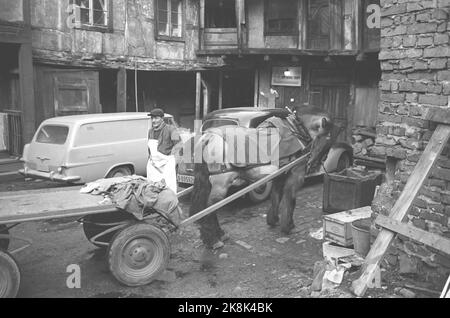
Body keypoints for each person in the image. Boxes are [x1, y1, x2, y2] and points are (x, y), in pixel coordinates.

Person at [147, 108, 180, 193]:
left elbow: (179, 145)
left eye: (156, 118)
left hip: (166, 165)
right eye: (152, 118)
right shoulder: (150, 131)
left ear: (162, 119)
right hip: (154, 166)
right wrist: (150, 161)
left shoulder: (171, 129)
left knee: (168, 189)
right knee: (153, 188)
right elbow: (150, 149)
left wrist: (173, 162)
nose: (154, 120)